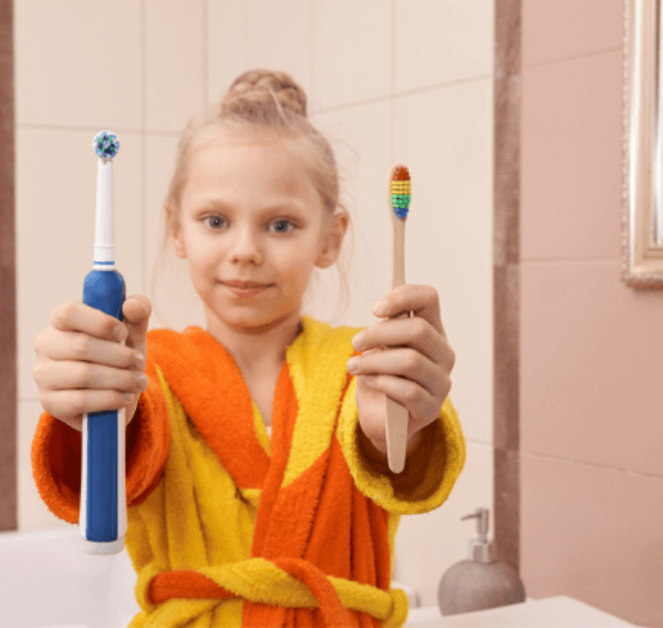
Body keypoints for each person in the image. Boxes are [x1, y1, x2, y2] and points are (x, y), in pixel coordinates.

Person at [31, 69, 466, 628]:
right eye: (216, 220)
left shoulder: (366, 366)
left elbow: (409, 471)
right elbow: (106, 475)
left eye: (280, 225)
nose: (245, 251)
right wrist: (90, 411)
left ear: (330, 238)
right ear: (177, 229)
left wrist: (397, 432)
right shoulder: (146, 374)